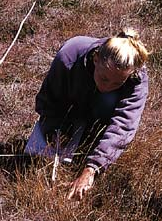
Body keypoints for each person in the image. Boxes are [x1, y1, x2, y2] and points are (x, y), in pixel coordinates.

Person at [25, 28, 149, 201]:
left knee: (108, 99)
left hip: (102, 114)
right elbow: (49, 100)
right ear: (96, 58)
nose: (107, 86)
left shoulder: (136, 76)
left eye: (118, 82)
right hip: (70, 108)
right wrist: (53, 129)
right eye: (104, 78)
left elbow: (123, 126)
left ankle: (93, 134)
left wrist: (92, 168)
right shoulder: (70, 54)